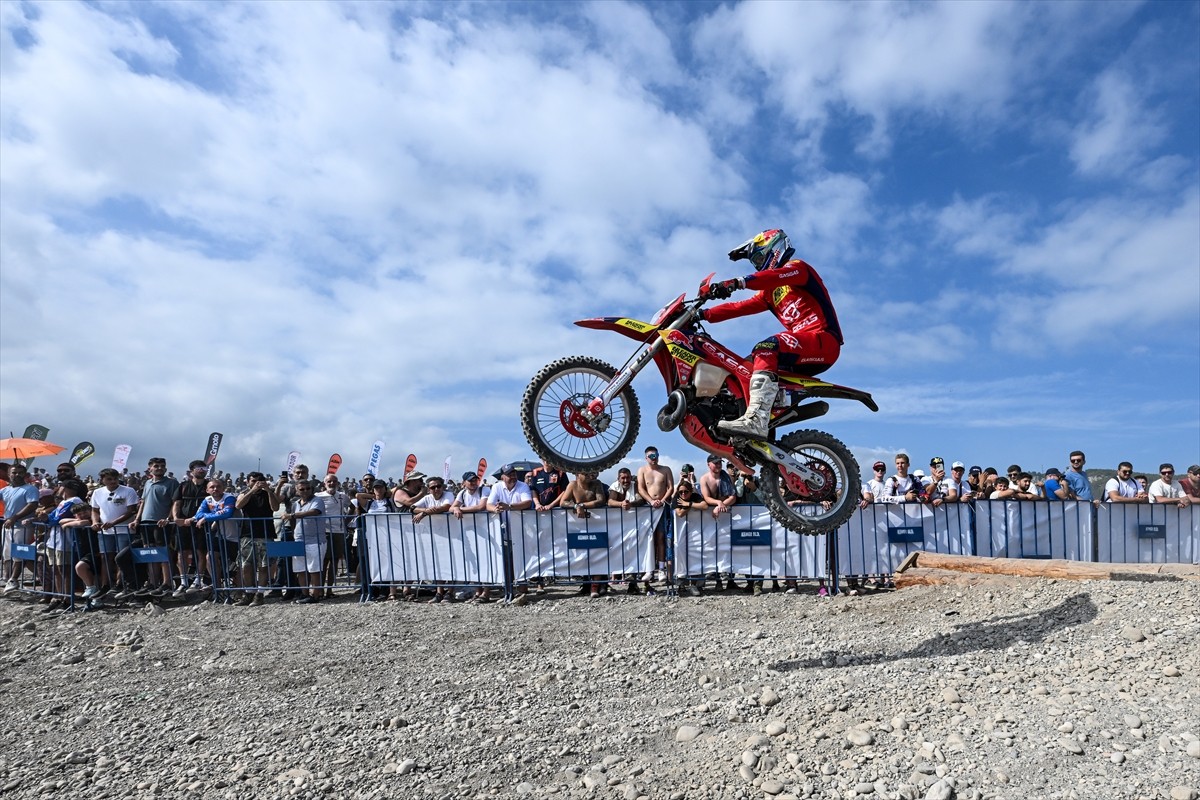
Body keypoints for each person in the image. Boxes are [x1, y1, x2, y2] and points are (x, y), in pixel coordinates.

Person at [699, 229, 844, 438]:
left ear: (773, 247)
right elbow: (739, 307)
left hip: (823, 340)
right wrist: (702, 314)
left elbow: (769, 277)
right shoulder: (769, 293)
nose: (758, 264)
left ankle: (757, 420)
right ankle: (751, 423)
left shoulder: (797, 268)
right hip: (800, 347)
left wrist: (738, 282)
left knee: (766, 347)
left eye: (758, 257)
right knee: (744, 366)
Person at [88, 468, 140, 596]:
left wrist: (114, 523)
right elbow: (94, 510)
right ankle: (105, 585)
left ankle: (120, 584)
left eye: (115, 478)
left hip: (123, 529)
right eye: (109, 479)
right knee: (106, 557)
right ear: (102, 480)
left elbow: (131, 511)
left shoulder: (128, 491)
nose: (112, 481)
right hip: (105, 531)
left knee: (121, 557)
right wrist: (95, 522)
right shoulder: (97, 492)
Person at [132, 457, 179, 594]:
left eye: (162, 466)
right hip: (146, 522)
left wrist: (168, 518)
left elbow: (175, 503)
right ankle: (152, 582)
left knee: (162, 553)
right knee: (149, 553)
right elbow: (143, 502)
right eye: (156, 466)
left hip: (161, 522)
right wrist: (137, 519)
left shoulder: (172, 483)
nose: (159, 468)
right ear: (150, 468)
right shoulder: (147, 483)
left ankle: (167, 583)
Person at [234, 471, 280, 605]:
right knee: (246, 566)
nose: (256, 484)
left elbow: (275, 507)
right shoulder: (244, 493)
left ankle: (260, 594)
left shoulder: (268, 493)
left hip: (265, 533)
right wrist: (251, 491)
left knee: (264, 566)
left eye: (259, 481)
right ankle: (249, 593)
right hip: (247, 534)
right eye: (253, 481)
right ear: (248, 482)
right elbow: (238, 505)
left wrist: (268, 491)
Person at [193, 479, 241, 601]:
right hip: (221, 536)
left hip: (237, 537)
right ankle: (217, 588)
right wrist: (208, 517)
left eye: (218, 486)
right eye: (212, 487)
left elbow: (227, 513)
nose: (215, 489)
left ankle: (240, 592)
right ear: (207, 490)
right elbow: (198, 514)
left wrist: (206, 518)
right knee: (210, 557)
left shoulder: (229, 497)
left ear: (223, 487)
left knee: (240, 564)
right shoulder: (207, 500)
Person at [172, 460, 211, 596]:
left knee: (201, 551)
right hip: (183, 524)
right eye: (198, 468)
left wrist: (195, 519)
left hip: (202, 523)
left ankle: (198, 580)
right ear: (191, 471)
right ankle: (183, 582)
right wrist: (176, 518)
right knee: (181, 552)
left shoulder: (210, 486)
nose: (201, 470)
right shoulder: (183, 486)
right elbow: (177, 503)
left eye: (204, 468)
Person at [281, 480, 324, 603]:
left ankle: (315, 595)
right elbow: (294, 521)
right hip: (299, 539)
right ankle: (304, 594)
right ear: (297, 490)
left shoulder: (317, 501)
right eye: (302, 489)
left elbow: (314, 512)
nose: (305, 491)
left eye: (308, 488)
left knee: (314, 569)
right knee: (300, 569)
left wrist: (293, 515)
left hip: (315, 540)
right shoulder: (296, 504)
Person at [1, 465, 41, 594]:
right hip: (8, 525)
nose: (17, 475)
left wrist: (15, 517)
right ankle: (7, 578)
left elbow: (32, 505)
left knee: (19, 553)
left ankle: (14, 579)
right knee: (7, 554)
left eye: (20, 473)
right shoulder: (5, 489)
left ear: (25, 474)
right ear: (9, 474)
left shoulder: (30, 489)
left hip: (22, 526)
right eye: (14, 473)